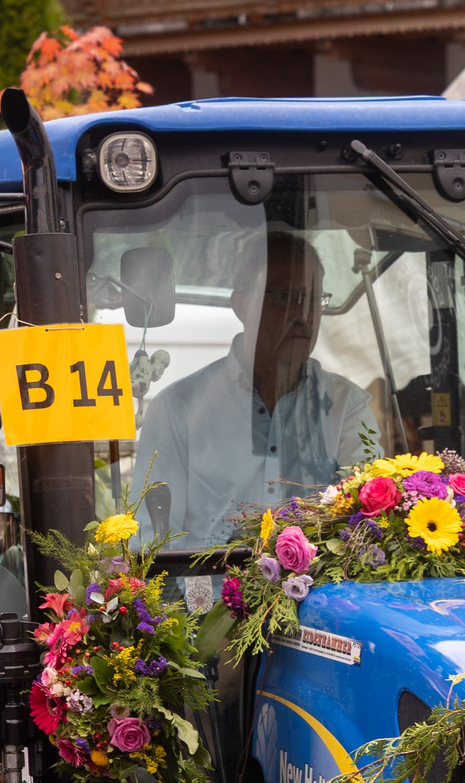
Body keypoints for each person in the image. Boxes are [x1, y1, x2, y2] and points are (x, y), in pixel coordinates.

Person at [127, 229, 371, 546]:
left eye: (312, 298)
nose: (302, 314)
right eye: (284, 297)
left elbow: (370, 522)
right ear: (241, 304)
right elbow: (150, 540)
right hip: (208, 591)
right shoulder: (179, 410)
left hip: (321, 592)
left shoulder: (348, 406)